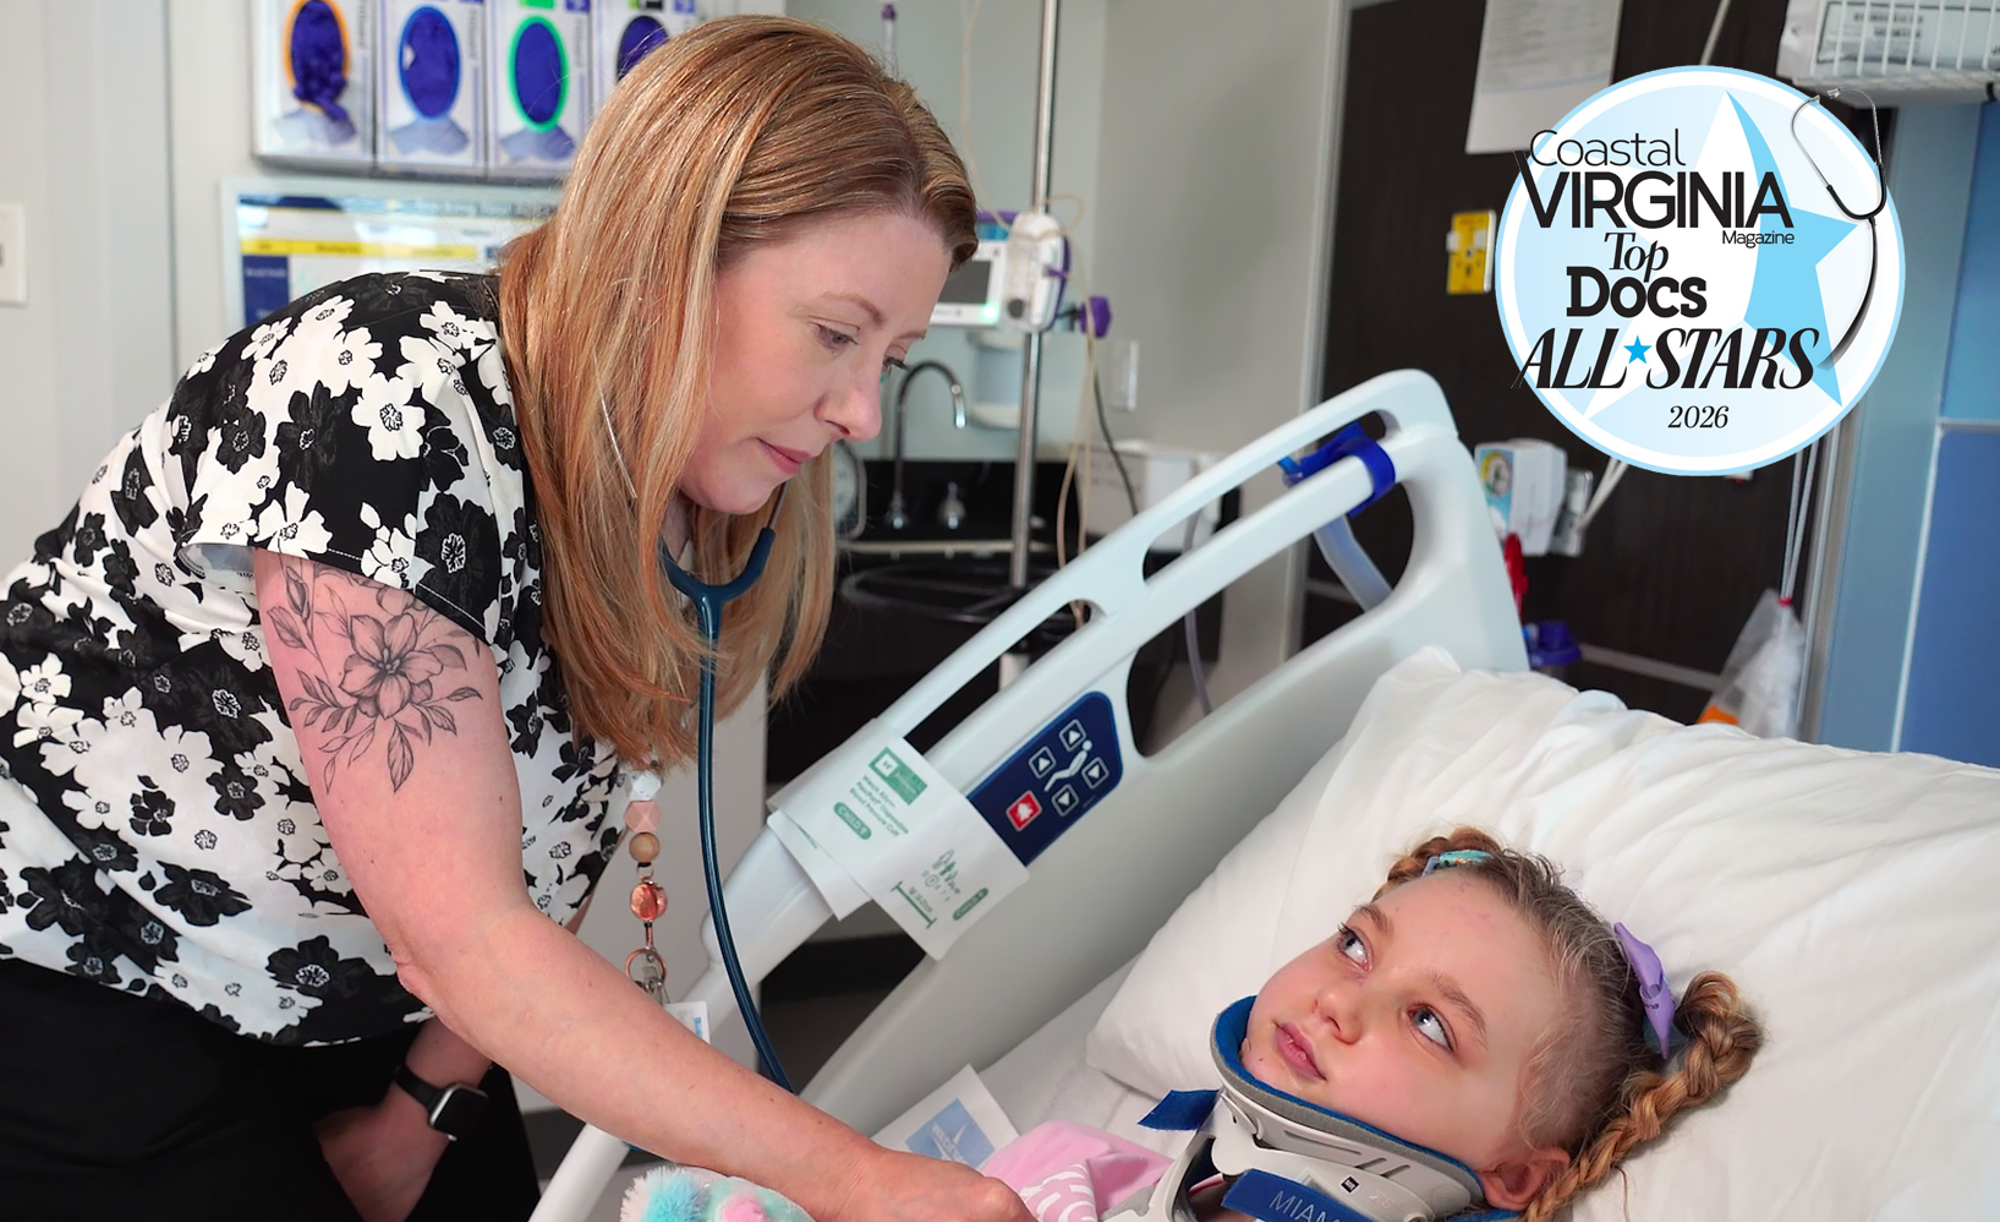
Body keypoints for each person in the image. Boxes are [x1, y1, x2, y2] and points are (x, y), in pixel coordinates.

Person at [0, 17, 1037, 1222]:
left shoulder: (678, 484)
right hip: (92, 971)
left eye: (891, 356)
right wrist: (857, 1179)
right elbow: (467, 936)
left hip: (367, 989)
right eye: (834, 333)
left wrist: (420, 1114)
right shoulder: (377, 401)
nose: (860, 410)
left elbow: (552, 838)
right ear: (664, 258)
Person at [981, 830, 1763, 1222]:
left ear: (1518, 1175)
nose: (1337, 1002)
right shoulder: (1067, 1168)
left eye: (1429, 1024)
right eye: (1355, 946)